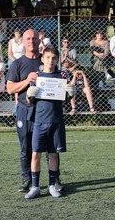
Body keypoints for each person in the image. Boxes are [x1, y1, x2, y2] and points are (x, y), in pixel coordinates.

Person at [6, 29, 63, 193]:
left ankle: (55, 180)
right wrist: (27, 81)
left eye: (34, 38)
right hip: (25, 110)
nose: (31, 41)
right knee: (26, 148)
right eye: (28, 39)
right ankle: (27, 180)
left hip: (45, 111)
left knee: (51, 148)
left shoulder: (46, 60)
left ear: (40, 40)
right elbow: (10, 89)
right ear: (23, 42)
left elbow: (58, 80)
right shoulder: (17, 63)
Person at [24, 47, 74, 199]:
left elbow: (65, 97)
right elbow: (30, 100)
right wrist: (28, 95)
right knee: (35, 155)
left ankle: (52, 185)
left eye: (53, 58)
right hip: (40, 121)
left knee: (53, 155)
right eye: (48, 57)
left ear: (57, 60)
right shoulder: (37, 77)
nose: (50, 61)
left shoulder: (62, 75)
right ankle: (35, 186)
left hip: (56, 121)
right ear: (42, 59)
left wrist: (70, 93)